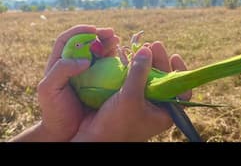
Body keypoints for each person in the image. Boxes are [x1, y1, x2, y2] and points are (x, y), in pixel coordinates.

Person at [9, 25, 192, 142]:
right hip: (147, 85)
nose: (94, 46)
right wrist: (95, 138)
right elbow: (128, 89)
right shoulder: (83, 91)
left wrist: (51, 131)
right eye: (82, 46)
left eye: (92, 43)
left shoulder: (87, 72)